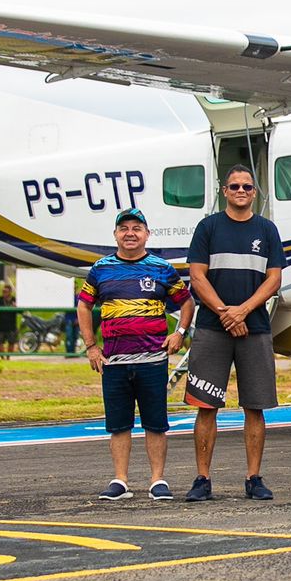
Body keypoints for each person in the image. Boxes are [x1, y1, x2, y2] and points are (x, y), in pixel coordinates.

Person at [184, 165, 285, 502]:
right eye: (234, 186)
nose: (241, 190)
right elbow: (197, 277)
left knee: (254, 407)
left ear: (254, 191)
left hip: (253, 328)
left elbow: (273, 280)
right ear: (224, 191)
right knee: (205, 406)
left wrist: (241, 311)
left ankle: (253, 477)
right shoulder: (208, 227)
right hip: (214, 328)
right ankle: (202, 478)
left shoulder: (267, 230)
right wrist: (226, 313)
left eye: (247, 186)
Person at [78, 208, 194, 502]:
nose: (130, 233)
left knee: (156, 423)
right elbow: (83, 306)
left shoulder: (161, 268)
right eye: (124, 228)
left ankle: (158, 480)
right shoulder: (100, 269)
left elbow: (186, 301)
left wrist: (179, 332)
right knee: (119, 424)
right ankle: (120, 480)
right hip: (114, 362)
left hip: (153, 361)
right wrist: (91, 346)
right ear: (115, 234)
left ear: (147, 234)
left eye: (137, 228)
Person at [0, 283, 19, 353]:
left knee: (11, 342)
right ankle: (2, 358)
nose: (4, 293)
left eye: (6, 291)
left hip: (11, 326)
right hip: (1, 326)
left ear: (10, 292)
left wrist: (15, 307)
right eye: (3, 291)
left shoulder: (14, 300)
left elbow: (21, 311)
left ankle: (8, 357)